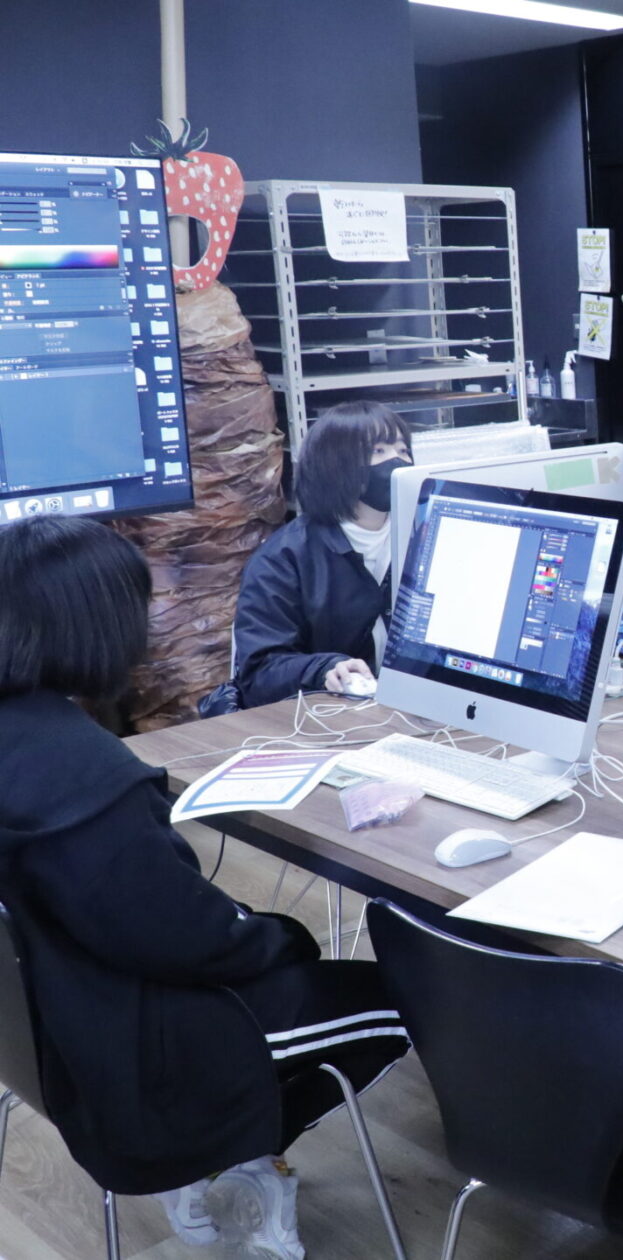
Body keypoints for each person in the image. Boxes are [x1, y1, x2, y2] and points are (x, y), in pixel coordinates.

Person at [0, 516, 409, 1259]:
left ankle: (234, 1151)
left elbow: (153, 917)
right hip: (148, 1051)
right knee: (407, 997)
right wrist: (285, 939)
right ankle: (233, 1157)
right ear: (98, 624)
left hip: (63, 1030)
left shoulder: (23, 741)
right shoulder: (85, 778)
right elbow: (190, 940)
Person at [232, 401, 413, 708]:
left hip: (413, 707)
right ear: (336, 466)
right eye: (379, 451)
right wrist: (323, 669)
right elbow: (259, 672)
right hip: (327, 715)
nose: (397, 461)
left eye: (403, 450)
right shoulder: (284, 559)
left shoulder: (420, 535)